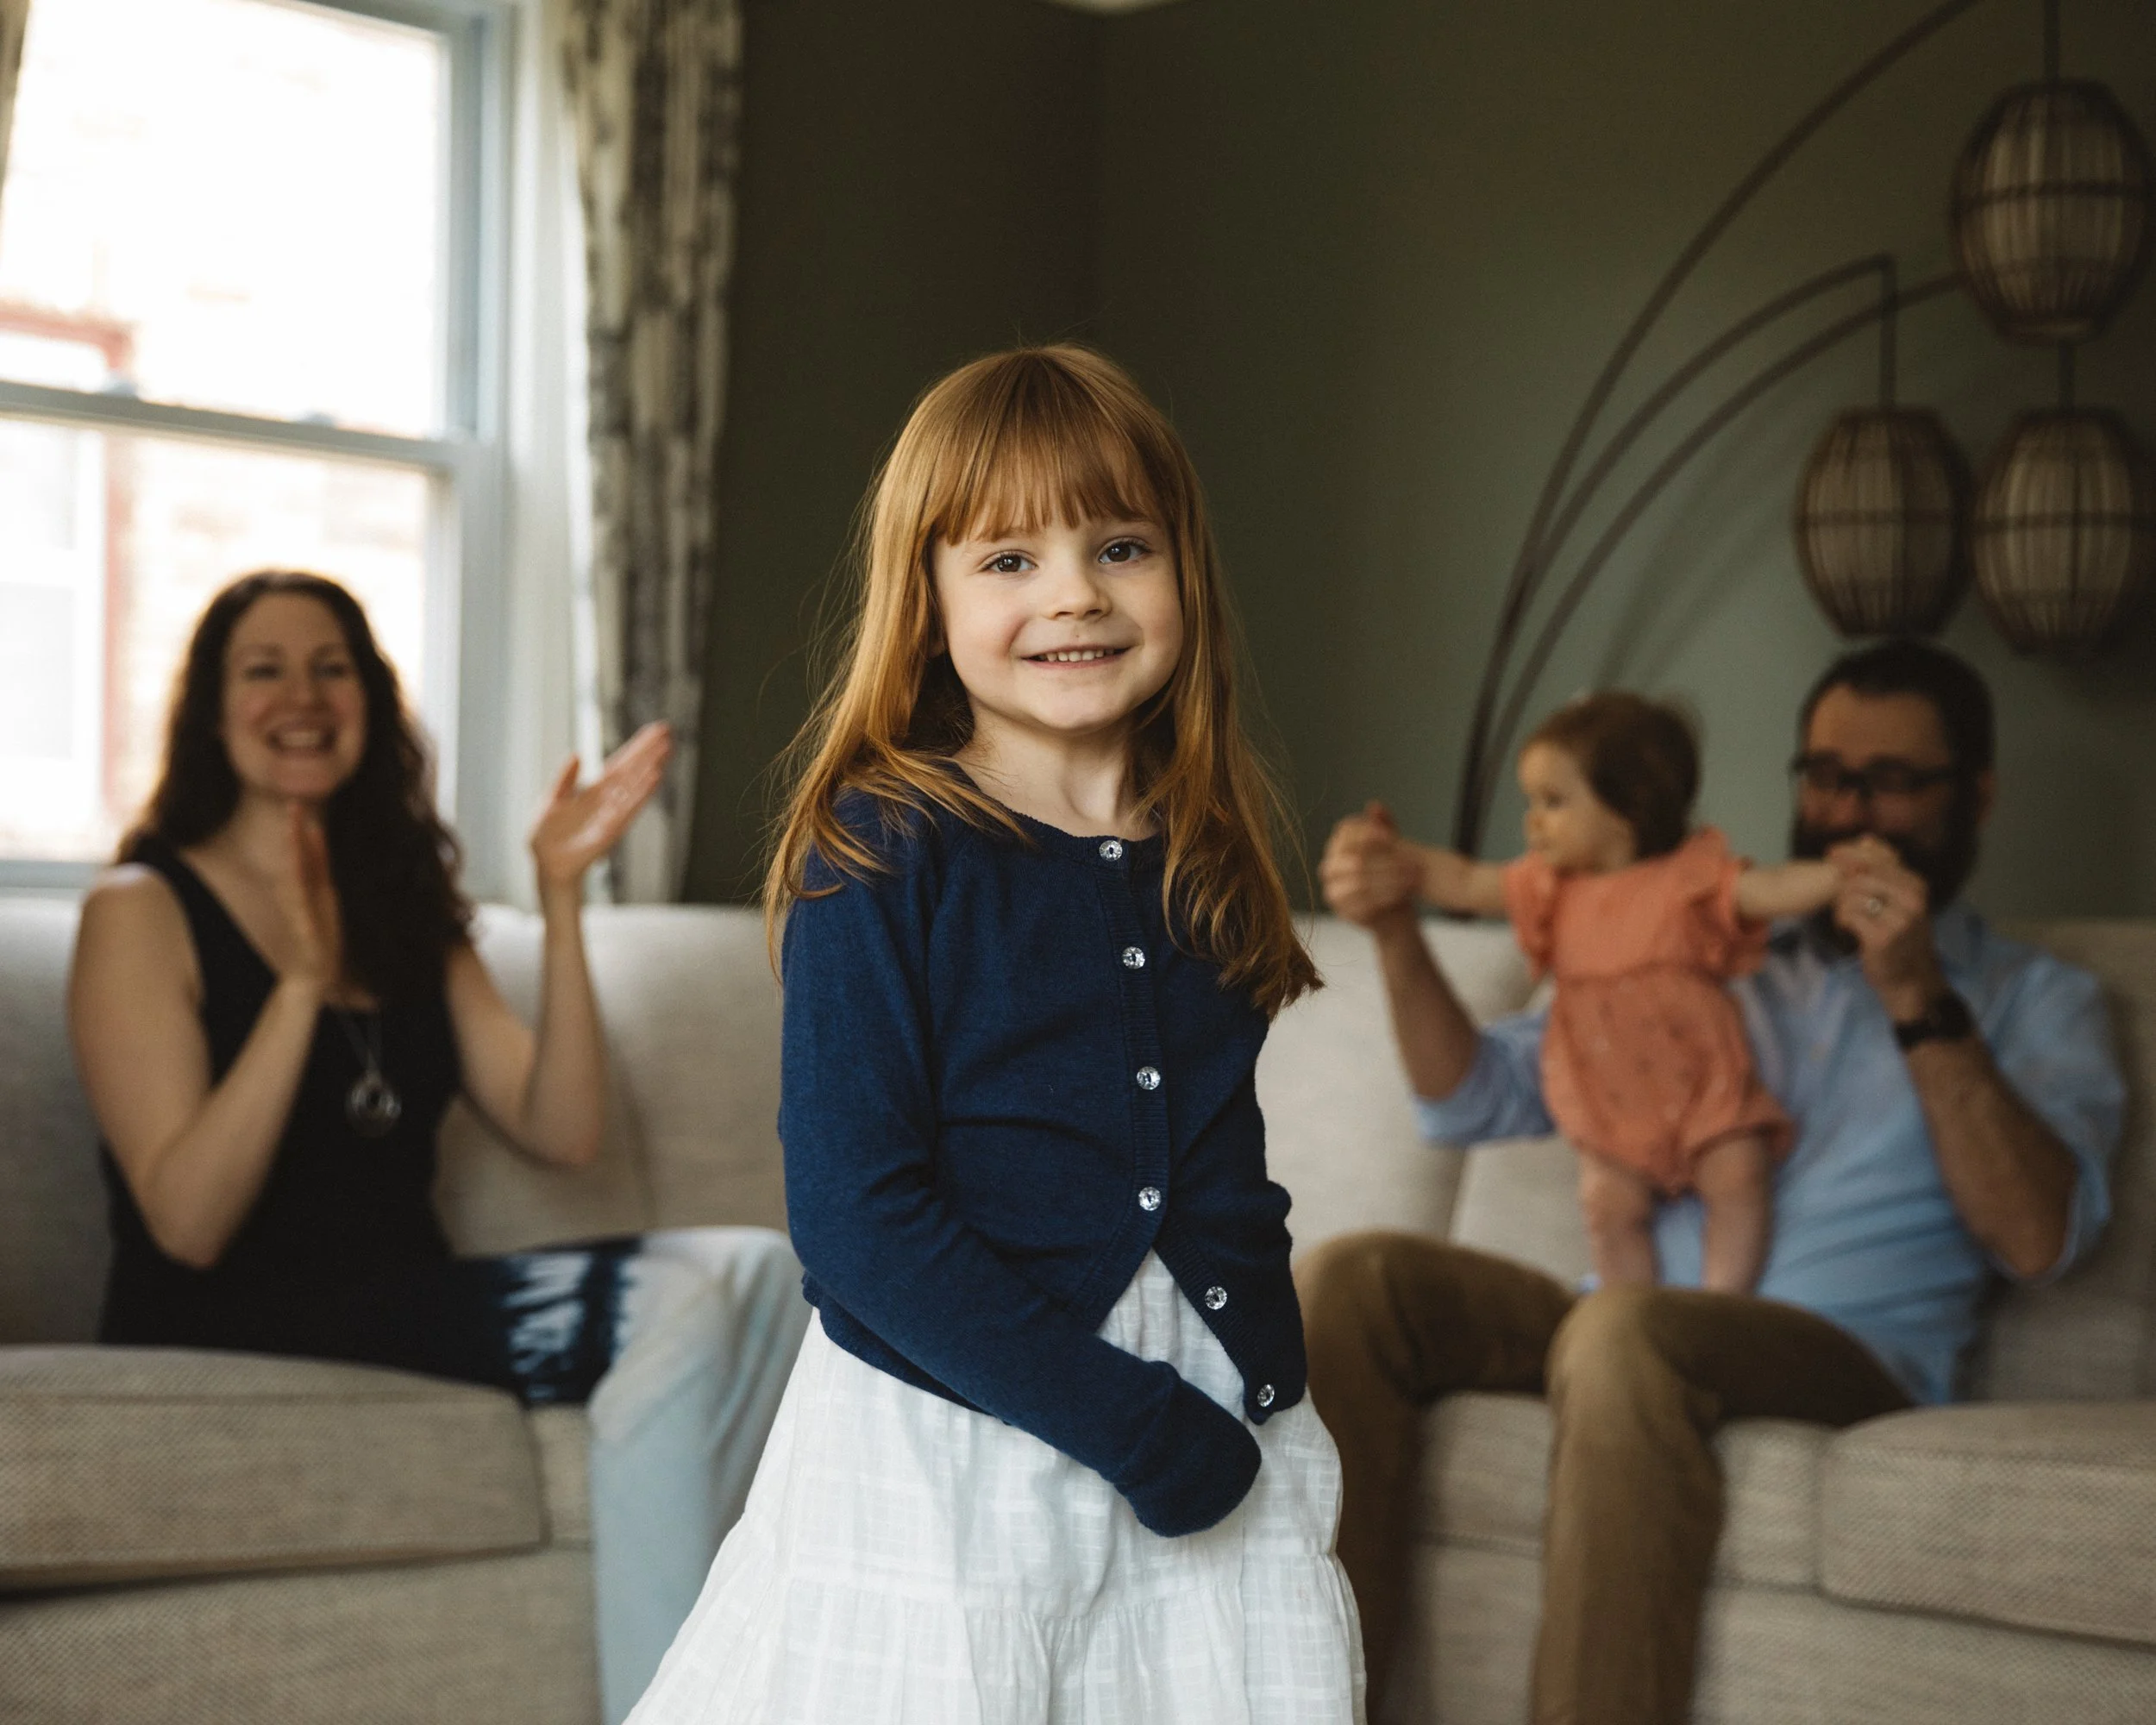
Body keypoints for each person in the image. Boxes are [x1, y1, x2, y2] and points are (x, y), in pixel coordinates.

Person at [627, 345, 1364, 1723]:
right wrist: (1128, 1424)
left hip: (1217, 1418)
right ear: (928, 602)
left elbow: (1217, 1171)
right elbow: (858, 1221)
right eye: (1008, 560)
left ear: (1183, 577)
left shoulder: (1207, 847)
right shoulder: (884, 848)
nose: (1076, 591)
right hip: (960, 1429)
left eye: (1120, 546)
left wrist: (1259, 1388)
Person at [1305, 638, 2124, 1724]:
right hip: (1625, 1326)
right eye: (1826, 776)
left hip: (1839, 1360)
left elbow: (2038, 1236)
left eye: (1889, 780)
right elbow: (1472, 1099)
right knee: (1356, 1279)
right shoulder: (1702, 945)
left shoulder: (2039, 1000)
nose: (1848, 812)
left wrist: (1920, 998)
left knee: (1626, 1332)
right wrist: (1398, 933)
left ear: (1975, 796)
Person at [66, 569, 811, 1723]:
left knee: (757, 1270)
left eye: (334, 666)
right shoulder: (143, 907)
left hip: (401, 1312)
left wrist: (562, 897)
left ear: (371, 702)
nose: (303, 695)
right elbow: (187, 1221)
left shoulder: (404, 906)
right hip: (233, 1318)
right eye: (263, 669)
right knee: (688, 1303)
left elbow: (563, 1128)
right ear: (215, 714)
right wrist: (302, 987)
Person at [1403, 691, 1846, 1295]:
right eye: (1532, 801)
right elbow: (1462, 880)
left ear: (1627, 808)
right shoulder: (1548, 889)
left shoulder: (1685, 881)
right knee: (1608, 1207)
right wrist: (1397, 861)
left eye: (1554, 801)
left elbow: (1767, 890)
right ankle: (1630, 1311)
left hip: (1703, 1087)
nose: (1532, 820)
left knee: (1739, 1179)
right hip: (1609, 1101)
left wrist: (1839, 876)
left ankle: (1722, 1305)